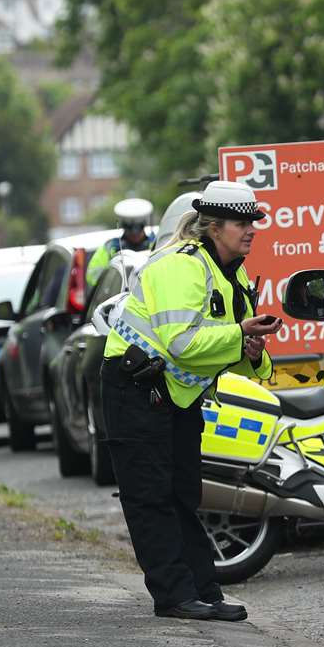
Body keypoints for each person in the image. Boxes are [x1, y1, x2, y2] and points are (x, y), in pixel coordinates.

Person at [102, 180, 278, 622]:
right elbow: (181, 343)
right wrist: (240, 336)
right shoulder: (183, 267)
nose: (251, 230)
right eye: (241, 223)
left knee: (183, 494)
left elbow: (230, 353)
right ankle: (174, 596)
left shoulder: (231, 272)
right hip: (136, 389)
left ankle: (203, 590)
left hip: (174, 396)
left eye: (253, 221)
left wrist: (252, 353)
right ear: (214, 227)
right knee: (151, 497)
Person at [86, 197, 155, 287]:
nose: (135, 235)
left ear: (143, 227)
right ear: (124, 228)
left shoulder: (155, 244)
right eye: (130, 230)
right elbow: (92, 276)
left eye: (138, 230)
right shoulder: (110, 248)